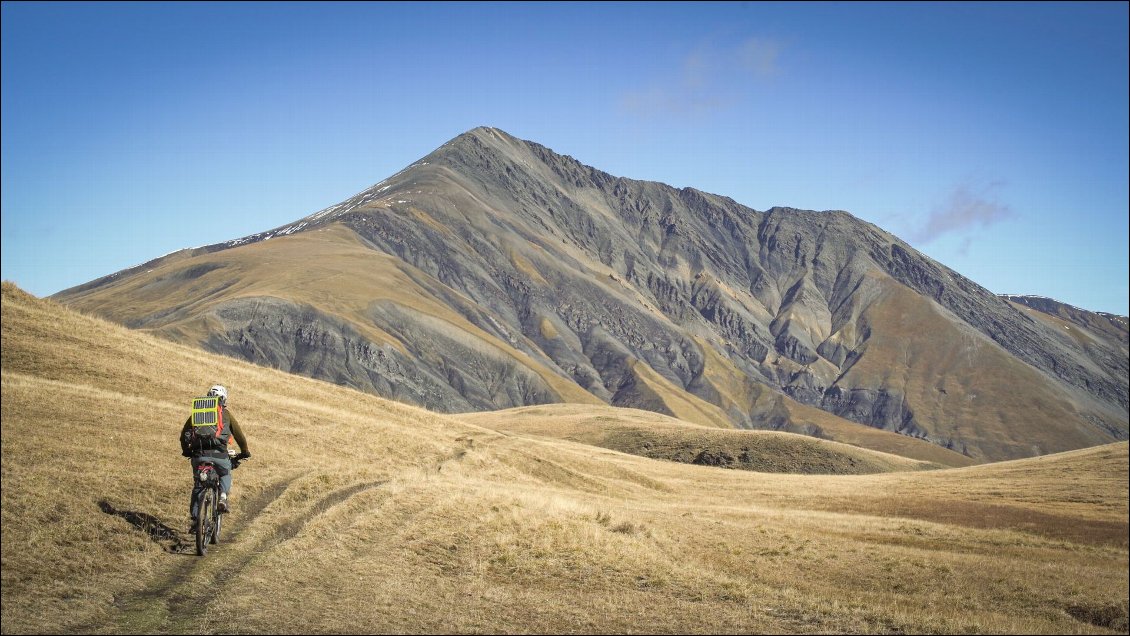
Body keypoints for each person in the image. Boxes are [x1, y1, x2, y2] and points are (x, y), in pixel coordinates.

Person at [180, 384, 250, 529]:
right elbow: (239, 436)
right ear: (224, 399)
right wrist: (245, 451)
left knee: (198, 485)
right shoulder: (226, 414)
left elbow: (183, 435)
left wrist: (186, 450)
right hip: (220, 456)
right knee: (225, 473)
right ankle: (222, 497)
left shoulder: (197, 413)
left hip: (199, 456)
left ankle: (195, 520)